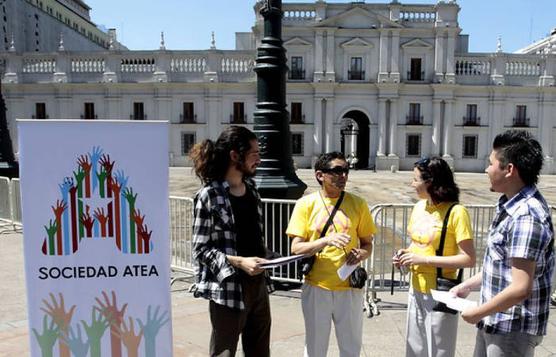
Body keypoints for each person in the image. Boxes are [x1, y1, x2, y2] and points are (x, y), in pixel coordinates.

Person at [451, 130, 555, 357]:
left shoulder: (526, 216)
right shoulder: (510, 206)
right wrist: (467, 286)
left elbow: (520, 288)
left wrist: (477, 312)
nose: (486, 169)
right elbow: (502, 266)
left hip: (511, 329)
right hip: (497, 321)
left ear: (509, 170)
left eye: (491, 164)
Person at [189, 126, 272, 357]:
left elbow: (251, 238)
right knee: (224, 353)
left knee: (260, 351)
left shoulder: (252, 190)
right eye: (254, 153)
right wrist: (239, 261)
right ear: (235, 155)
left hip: (258, 286)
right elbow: (200, 249)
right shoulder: (209, 195)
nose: (259, 159)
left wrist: (271, 256)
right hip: (228, 288)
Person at [286, 151, 375, 357]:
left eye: (345, 170)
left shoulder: (358, 203)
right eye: (336, 171)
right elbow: (296, 248)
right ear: (320, 175)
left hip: (350, 288)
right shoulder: (305, 204)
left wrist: (361, 254)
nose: (343, 175)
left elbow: (367, 244)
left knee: (351, 348)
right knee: (315, 348)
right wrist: (326, 240)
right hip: (317, 288)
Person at [393, 156, 476, 357]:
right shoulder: (419, 207)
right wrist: (406, 253)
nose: (412, 184)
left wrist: (424, 260)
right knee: (415, 349)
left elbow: (469, 258)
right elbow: (418, 242)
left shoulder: (457, 212)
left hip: (441, 292)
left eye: (415, 179)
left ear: (430, 182)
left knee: (439, 351)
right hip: (416, 288)